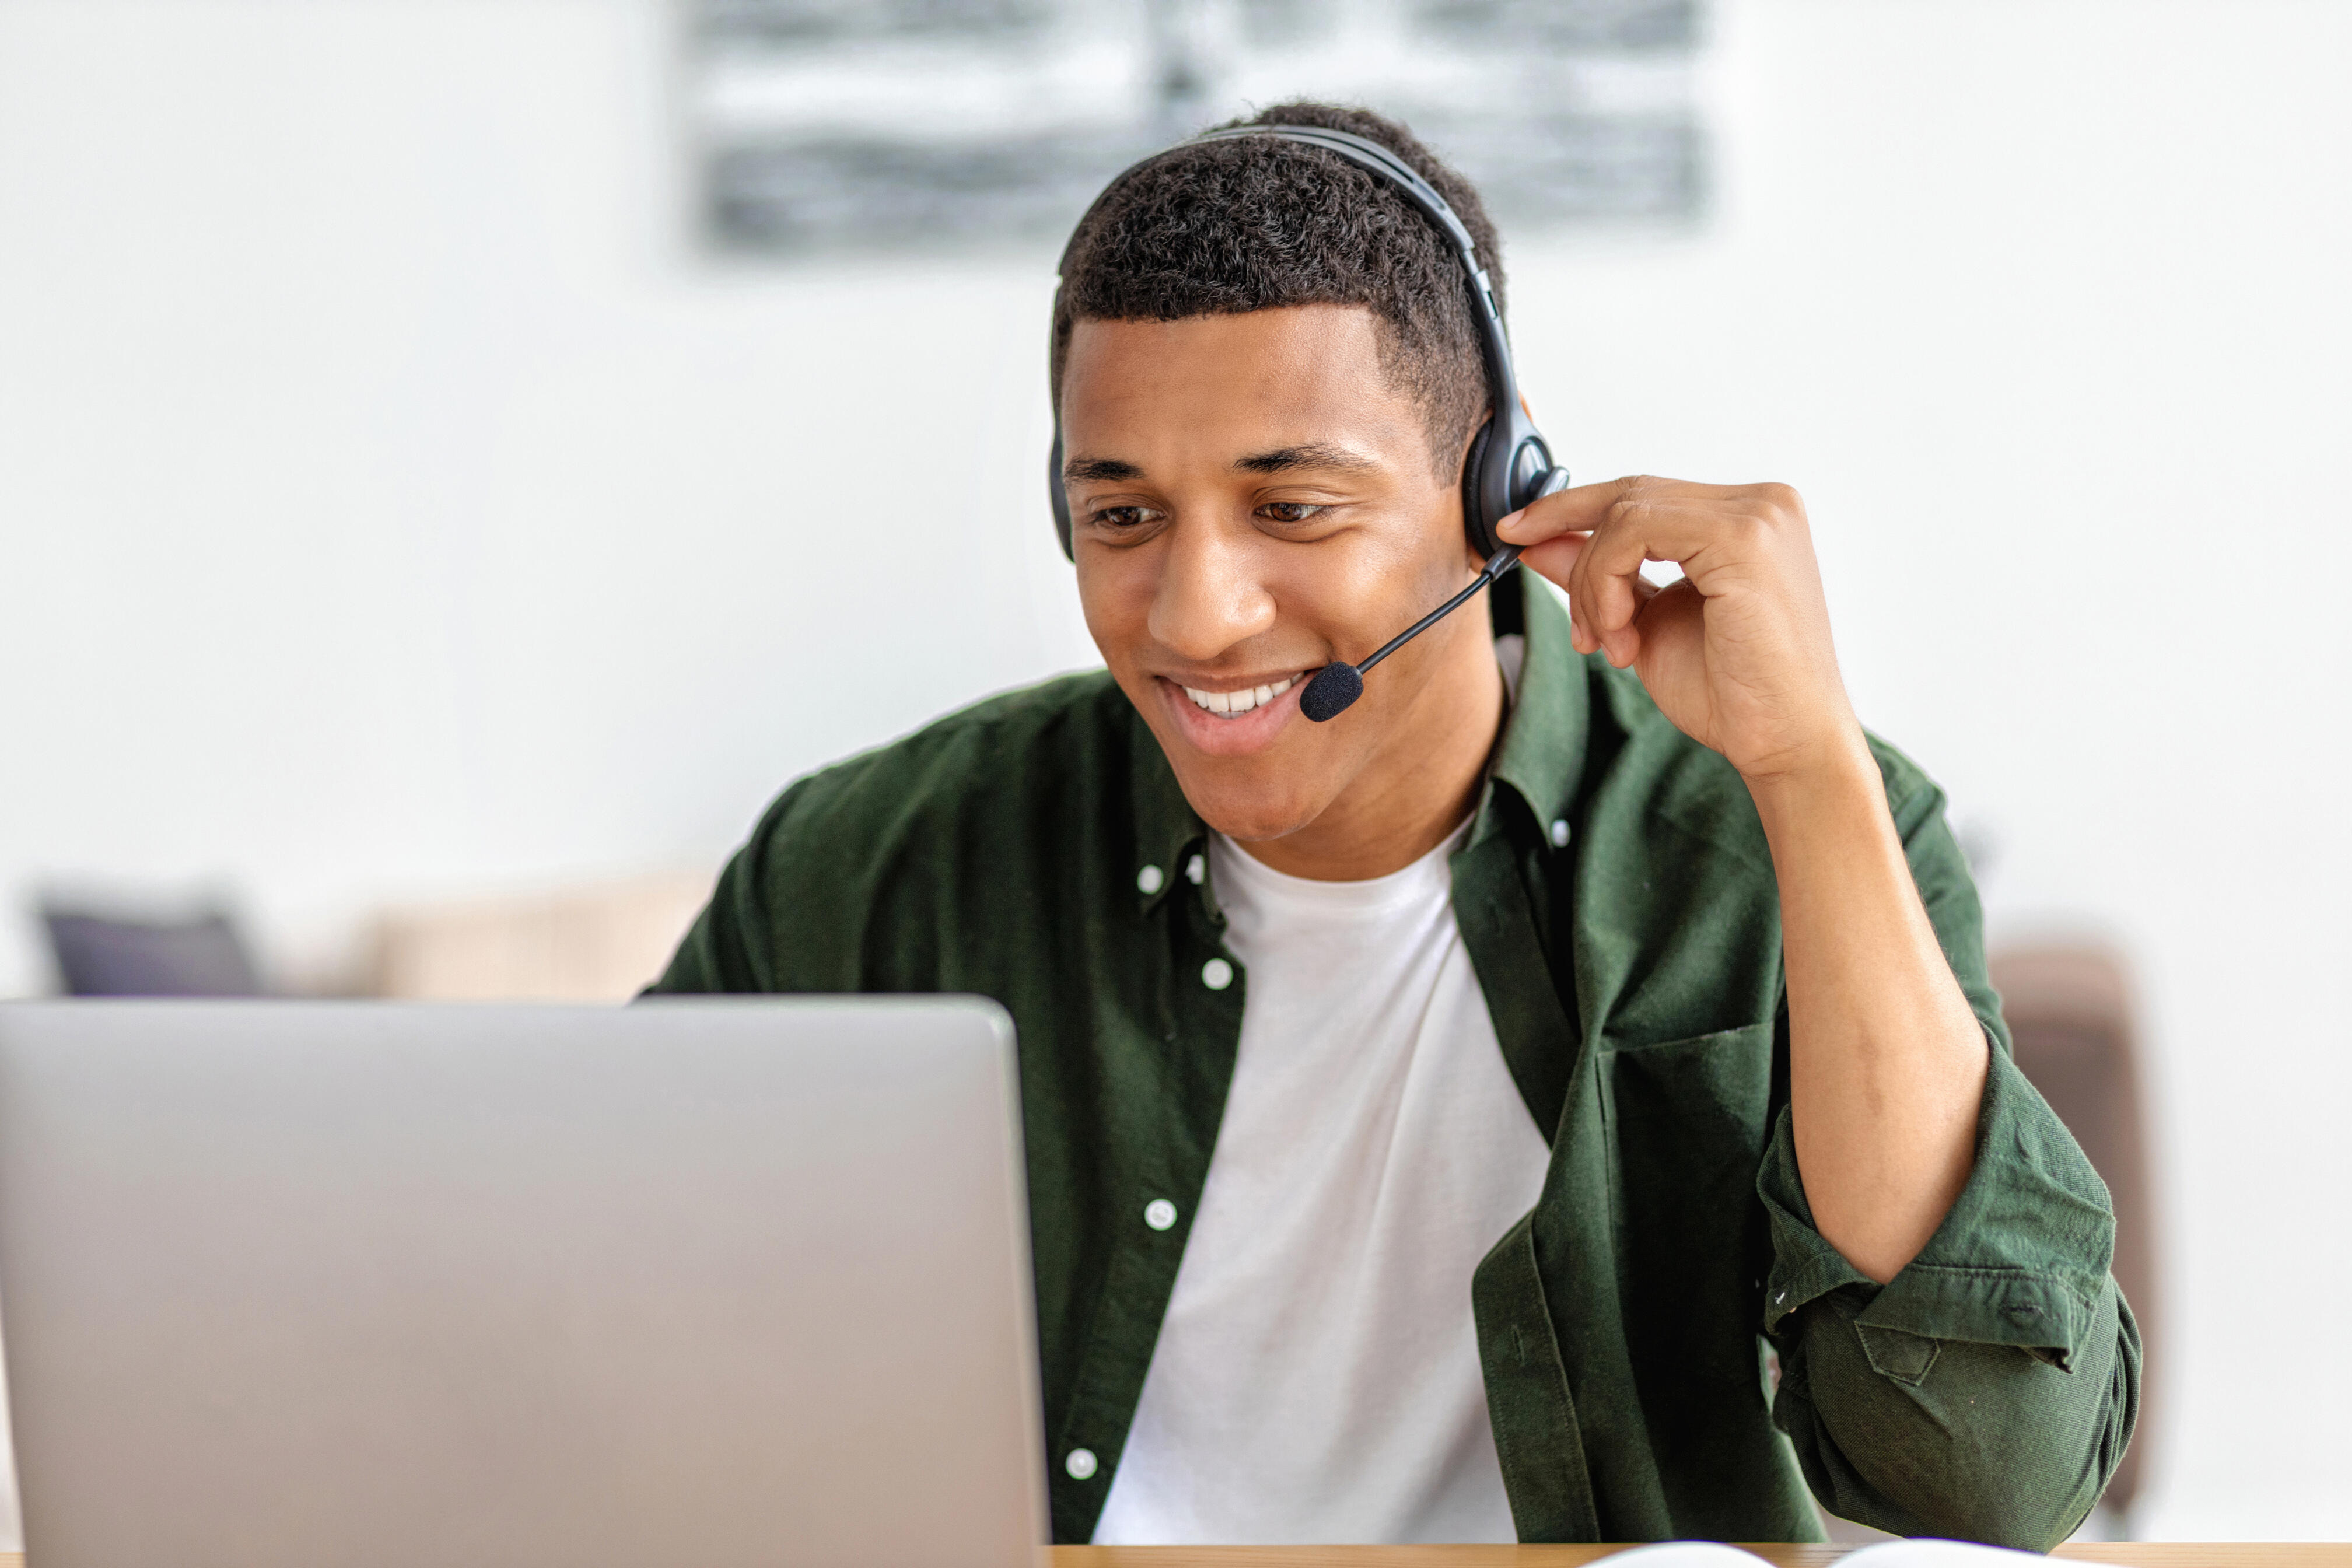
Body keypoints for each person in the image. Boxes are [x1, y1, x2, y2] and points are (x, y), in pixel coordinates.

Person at [648, 102, 2137, 1548]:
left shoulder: (1764, 830)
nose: (1197, 617)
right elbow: (598, 1324)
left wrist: (1809, 768)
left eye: (1291, 510)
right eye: (1123, 517)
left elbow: (1990, 1480)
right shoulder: (873, 860)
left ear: (1501, 491)